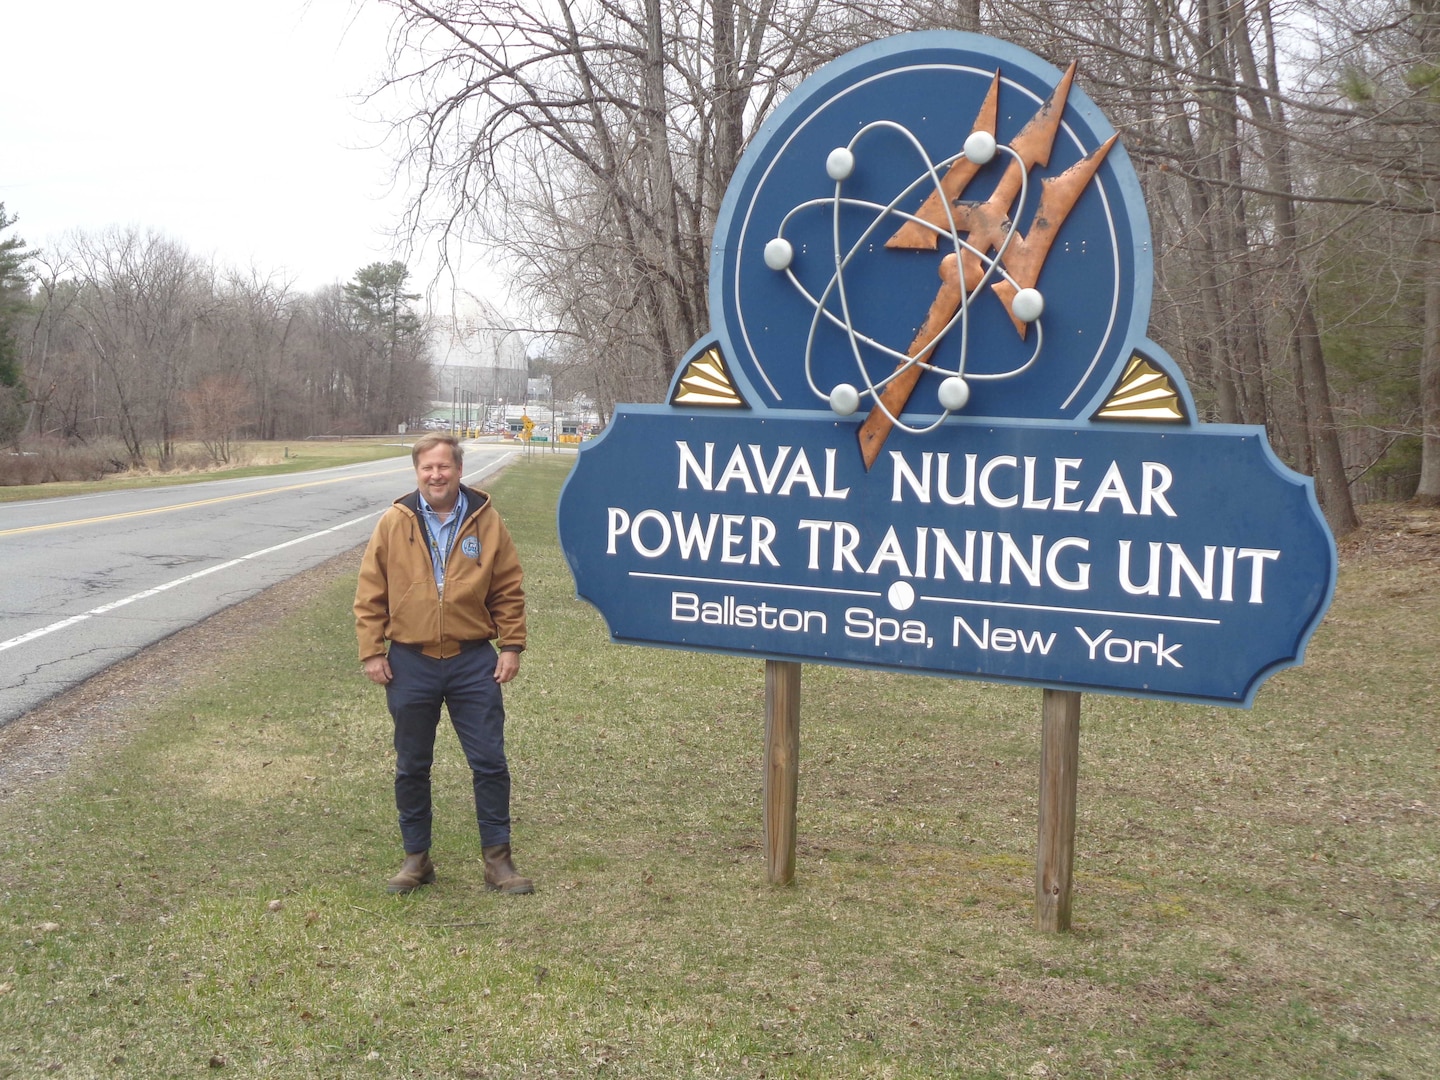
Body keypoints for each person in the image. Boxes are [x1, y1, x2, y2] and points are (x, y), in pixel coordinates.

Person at [354, 433, 533, 895]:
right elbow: (370, 593)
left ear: (459, 469)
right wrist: (373, 650)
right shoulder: (394, 523)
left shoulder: (486, 521)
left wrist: (510, 645)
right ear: (417, 472)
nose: (437, 475)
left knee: (490, 762)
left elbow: (508, 588)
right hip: (409, 662)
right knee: (412, 764)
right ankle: (416, 858)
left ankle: (498, 861)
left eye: (445, 467)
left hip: (472, 660)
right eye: (428, 468)